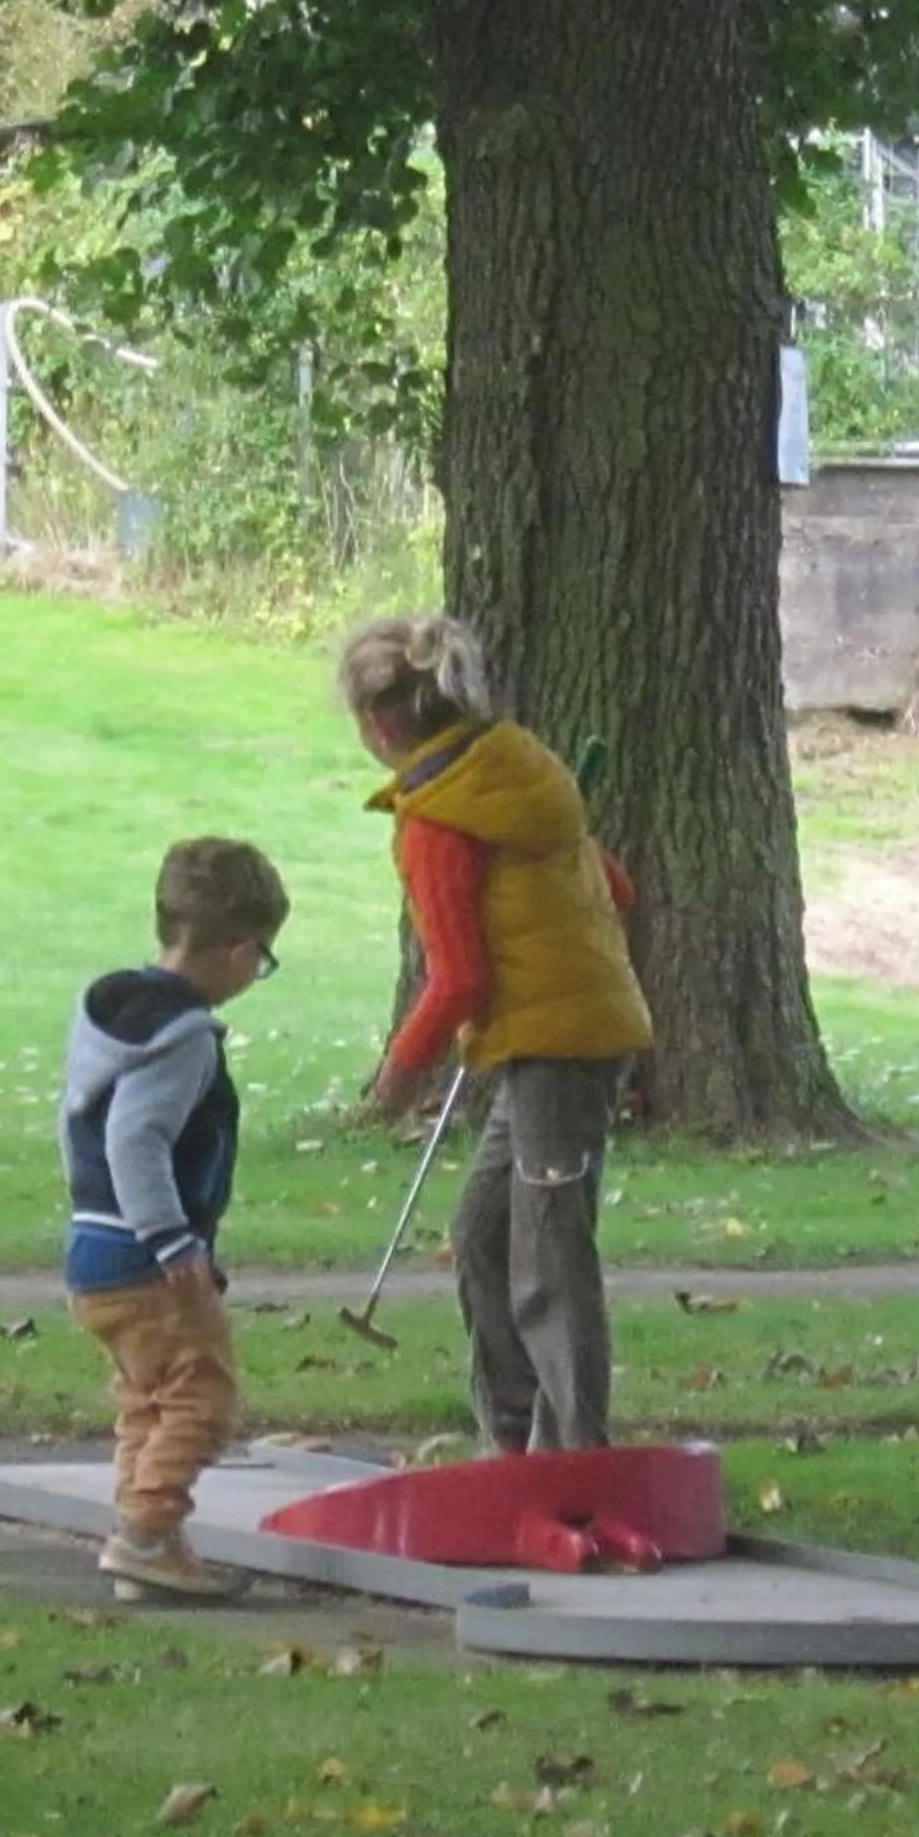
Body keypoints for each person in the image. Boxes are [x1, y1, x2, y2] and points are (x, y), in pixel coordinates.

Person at [340, 614, 652, 1454]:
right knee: (485, 1232)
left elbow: (460, 979)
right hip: (555, 1037)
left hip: (559, 1047)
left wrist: (398, 1075)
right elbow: (613, 890)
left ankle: (576, 1458)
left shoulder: (439, 820)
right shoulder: (523, 769)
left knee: (548, 1258)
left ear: (379, 726)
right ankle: (512, 1441)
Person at [59, 835, 287, 1601]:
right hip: (147, 1255)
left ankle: (147, 1545)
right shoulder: (181, 1038)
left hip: (92, 1247)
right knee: (203, 1395)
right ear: (237, 948)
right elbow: (136, 1139)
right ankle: (147, 1532)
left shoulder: (110, 1015)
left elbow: (82, 1131)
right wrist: (168, 1237)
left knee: (145, 1400)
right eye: (264, 959)